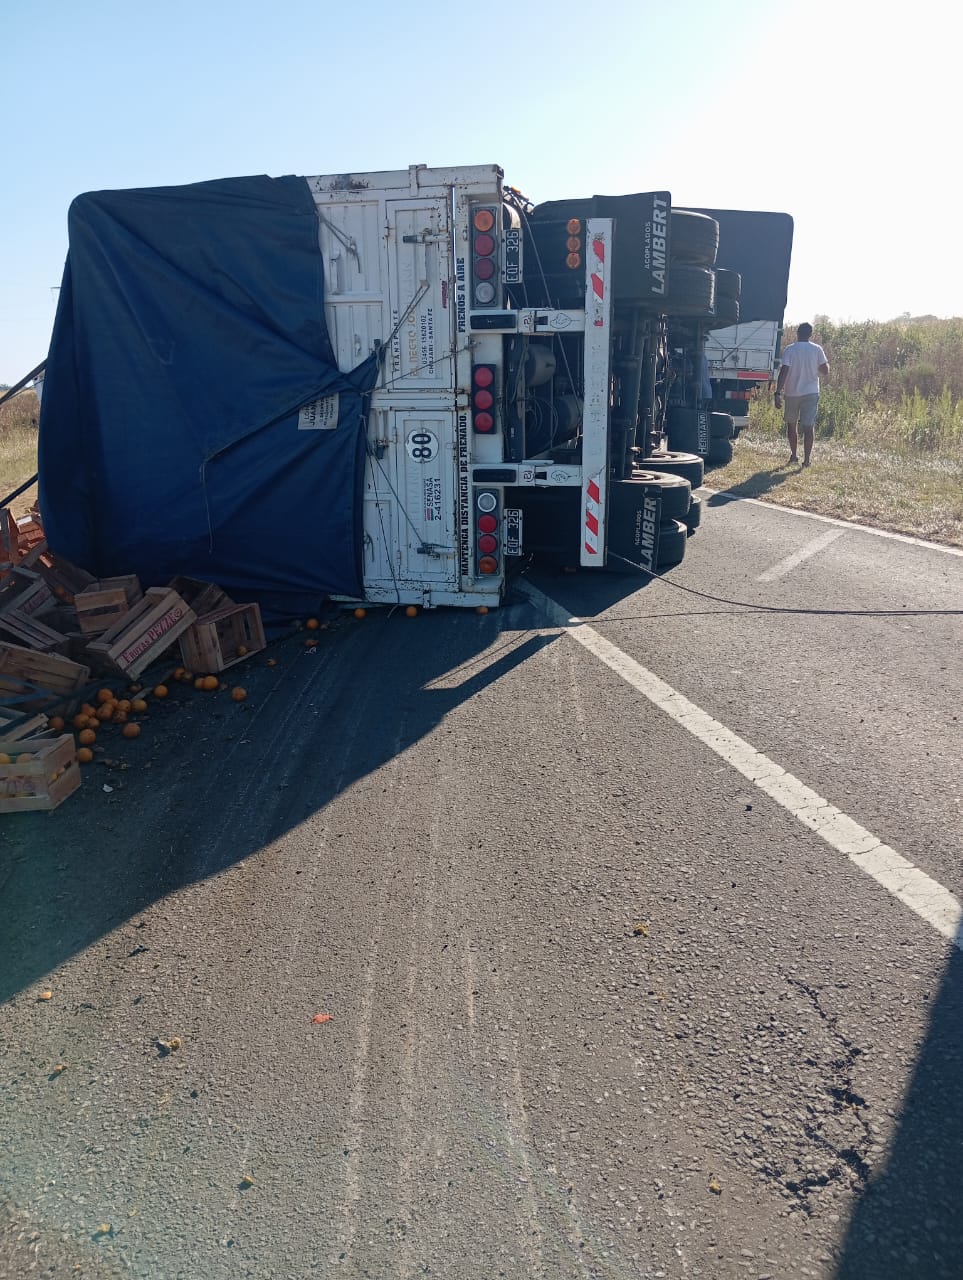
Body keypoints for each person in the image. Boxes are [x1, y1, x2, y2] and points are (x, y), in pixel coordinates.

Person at [774, 322, 830, 467]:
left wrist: (778, 392)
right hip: (811, 392)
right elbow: (825, 370)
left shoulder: (790, 349)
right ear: (810, 334)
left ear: (797, 333)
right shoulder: (817, 349)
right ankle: (807, 460)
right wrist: (815, 367)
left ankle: (794, 456)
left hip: (792, 392)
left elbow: (784, 371)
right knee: (808, 427)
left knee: (791, 425)